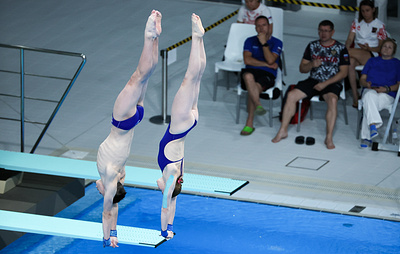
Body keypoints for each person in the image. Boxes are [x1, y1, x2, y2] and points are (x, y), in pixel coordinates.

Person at [96, 10, 162, 248]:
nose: (99, 190)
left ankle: (155, 38)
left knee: (146, 75)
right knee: (138, 76)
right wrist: (106, 237)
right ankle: (149, 35)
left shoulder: (119, 174)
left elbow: (114, 208)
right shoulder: (111, 177)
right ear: (111, 190)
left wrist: (115, 233)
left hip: (135, 120)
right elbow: (107, 211)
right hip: (121, 121)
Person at [156, 13, 206, 239]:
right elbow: (166, 206)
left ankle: (199, 39)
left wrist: (172, 228)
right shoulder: (171, 172)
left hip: (189, 123)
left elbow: (173, 203)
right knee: (189, 77)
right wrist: (164, 230)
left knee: (197, 77)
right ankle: (197, 38)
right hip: (179, 123)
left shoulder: (178, 173)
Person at [272, 20, 349, 149]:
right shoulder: (312, 46)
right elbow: (302, 68)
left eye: (326, 31)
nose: (323, 34)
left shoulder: (341, 48)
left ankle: (328, 137)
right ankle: (283, 130)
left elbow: (344, 73)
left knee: (333, 100)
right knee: (291, 95)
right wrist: (311, 64)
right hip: (313, 79)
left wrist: (325, 84)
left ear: (332, 32)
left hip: (331, 81)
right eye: (321, 30)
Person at [239, 15, 282, 136]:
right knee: (248, 77)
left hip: (267, 74)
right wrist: (267, 64)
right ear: (255, 28)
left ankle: (249, 123)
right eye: (258, 25)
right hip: (250, 71)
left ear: (269, 27)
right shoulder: (249, 40)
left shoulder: (277, 42)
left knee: (253, 88)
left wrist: (264, 43)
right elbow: (247, 60)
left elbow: (270, 60)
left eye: (264, 25)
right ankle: (258, 105)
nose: (261, 28)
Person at [359, 38, 400, 148]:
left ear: (393, 51)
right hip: (370, 89)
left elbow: (399, 85)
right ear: (381, 48)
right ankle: (373, 126)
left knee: (368, 102)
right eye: (384, 46)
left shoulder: (397, 64)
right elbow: (362, 79)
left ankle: (366, 137)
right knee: (369, 96)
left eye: (389, 47)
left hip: (387, 94)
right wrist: (366, 84)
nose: (386, 49)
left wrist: (386, 89)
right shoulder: (372, 61)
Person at [345, 0, 387, 108]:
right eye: (362, 11)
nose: (365, 13)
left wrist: (369, 48)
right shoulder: (356, 22)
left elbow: (381, 48)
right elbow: (350, 39)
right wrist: (347, 45)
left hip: (372, 54)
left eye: (367, 10)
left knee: (345, 53)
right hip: (357, 53)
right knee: (350, 63)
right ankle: (355, 97)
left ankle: (335, 56)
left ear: (373, 10)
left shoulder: (379, 25)